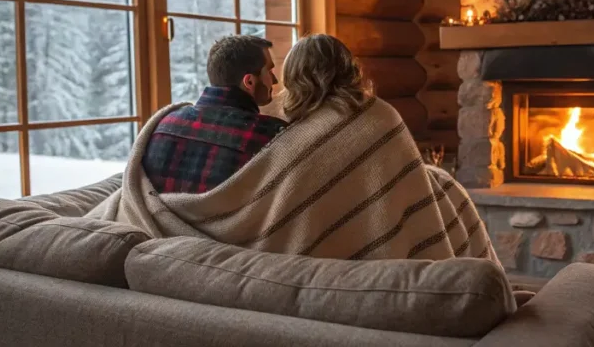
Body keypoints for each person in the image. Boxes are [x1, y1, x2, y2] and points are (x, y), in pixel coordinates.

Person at [88, 34, 500, 268]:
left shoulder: (168, 123)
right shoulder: (276, 133)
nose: (274, 78)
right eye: (269, 70)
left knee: (438, 183)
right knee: (442, 187)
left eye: (280, 71)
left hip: (176, 241)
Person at [141, 34, 288, 194]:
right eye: (269, 70)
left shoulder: (164, 123)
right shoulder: (271, 134)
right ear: (249, 82)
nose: (274, 80)